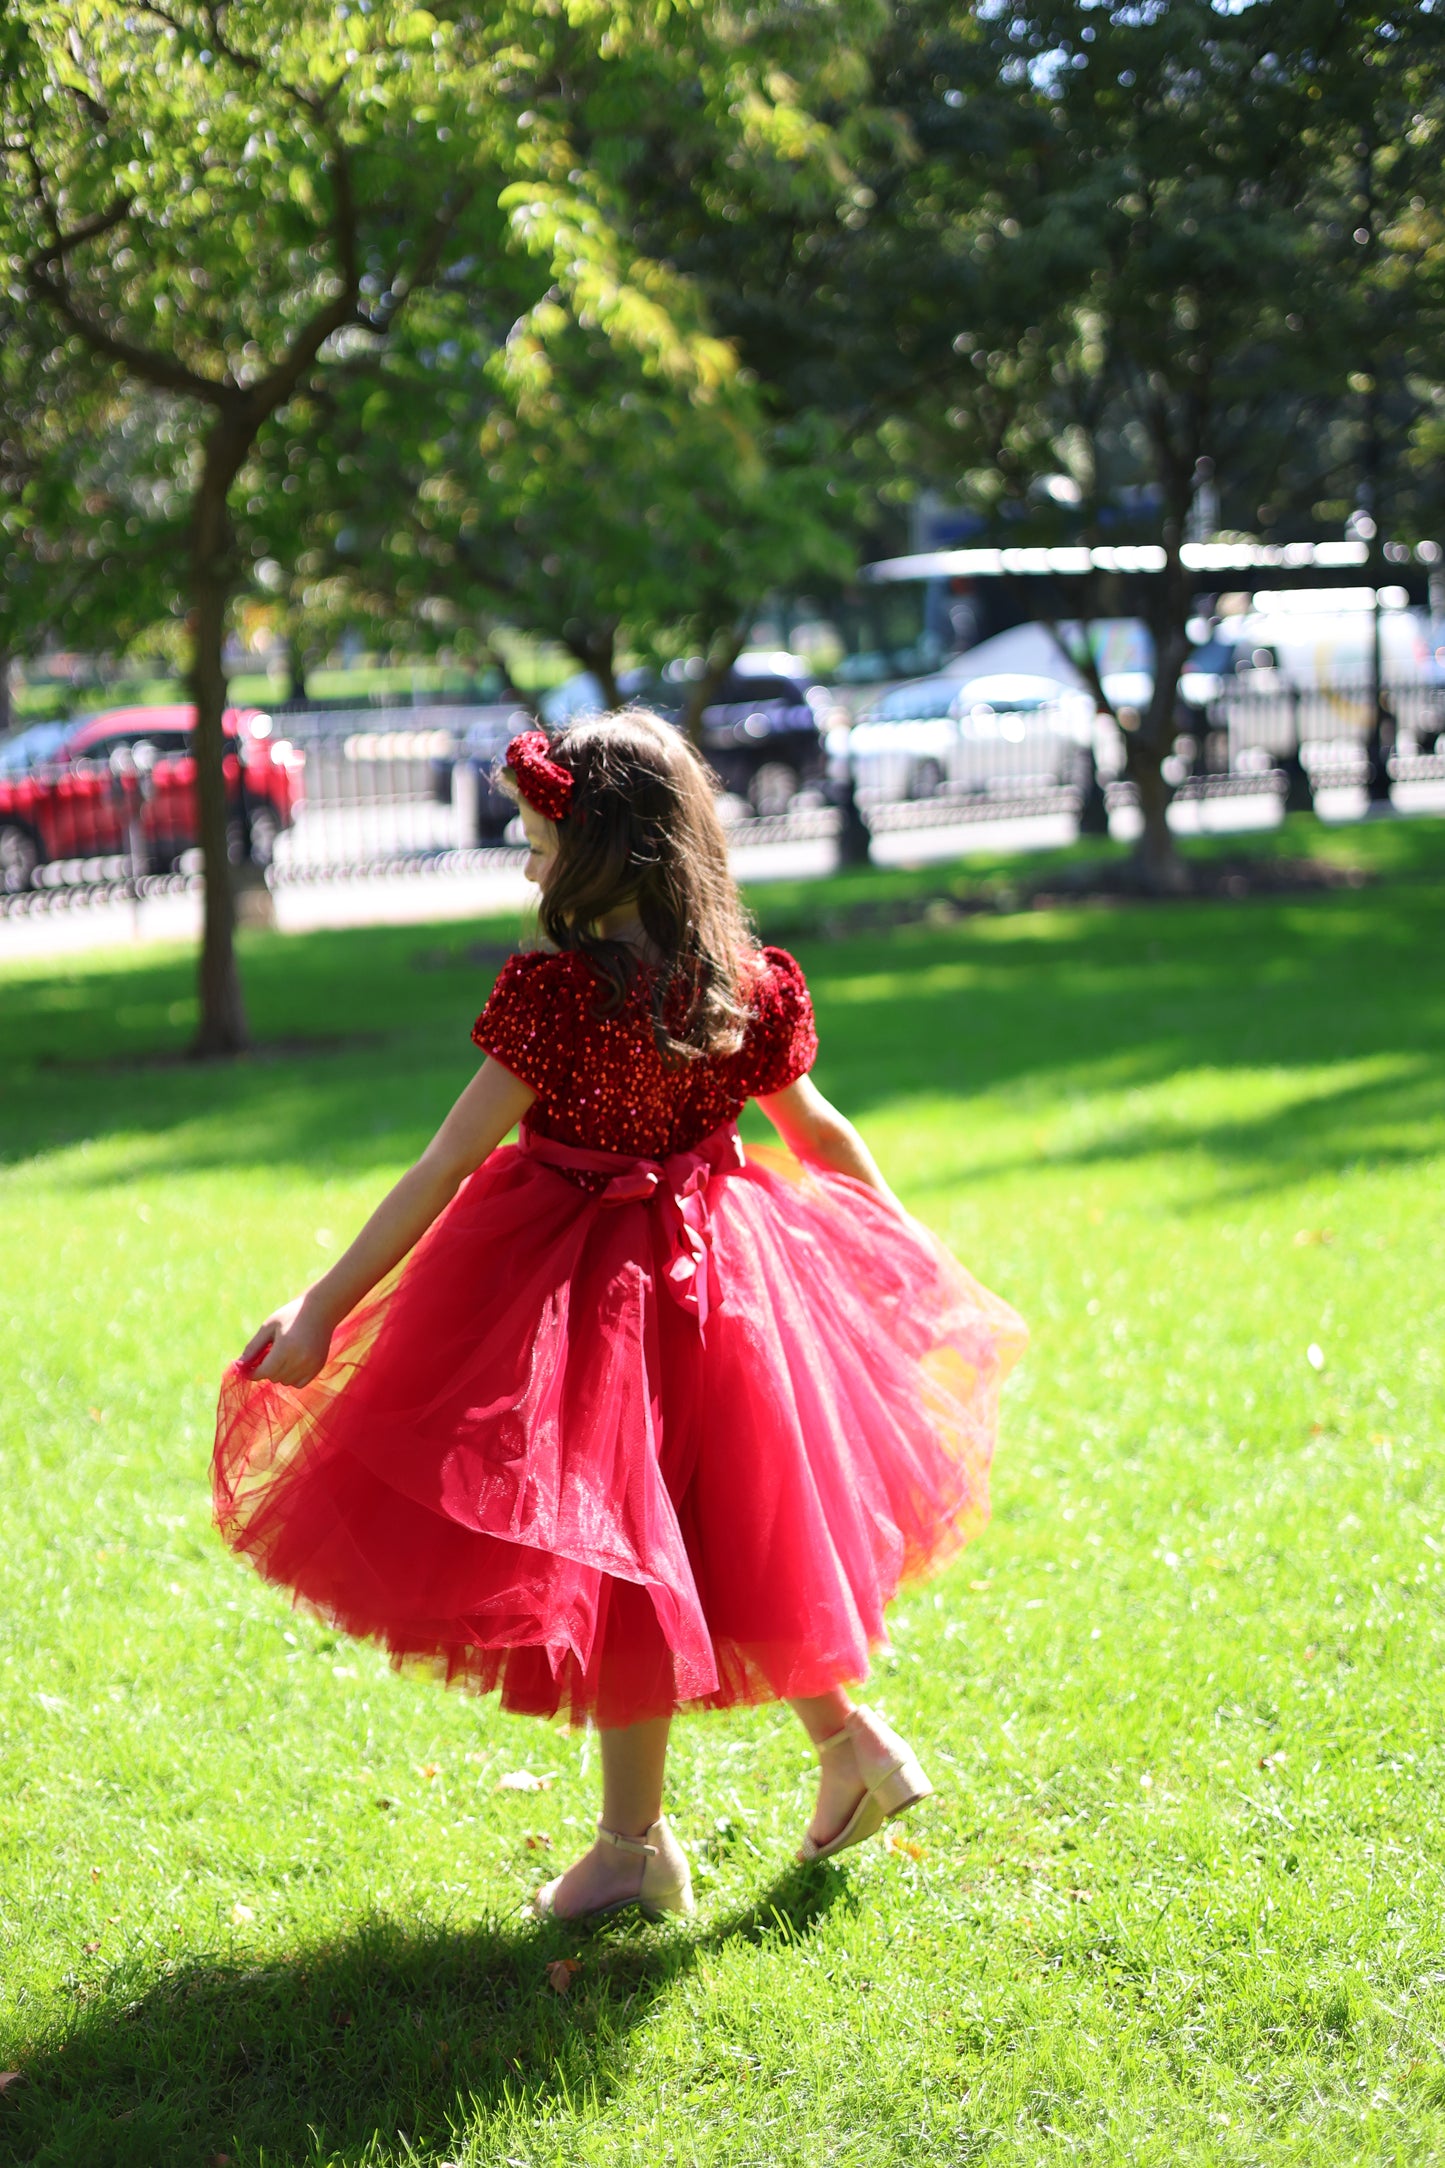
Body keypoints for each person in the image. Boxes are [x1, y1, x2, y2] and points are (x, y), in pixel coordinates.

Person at [214, 713, 1026, 1922]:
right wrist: (908, 1260)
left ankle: (633, 1847)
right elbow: (820, 1136)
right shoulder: (737, 981)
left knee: (635, 1566)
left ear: (603, 855)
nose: (527, 864)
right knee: (714, 1537)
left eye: (540, 841)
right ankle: (842, 1749)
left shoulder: (556, 998)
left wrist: (327, 1306)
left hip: (586, 1295)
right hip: (726, 1286)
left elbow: (443, 1162)